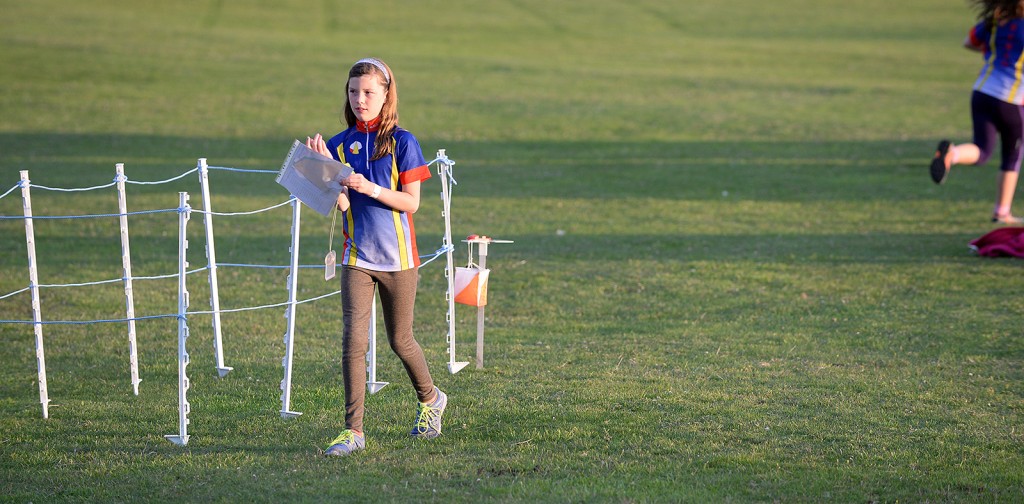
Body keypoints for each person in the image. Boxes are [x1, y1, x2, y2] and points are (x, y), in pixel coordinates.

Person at [306, 57, 447, 456]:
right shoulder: (339, 143)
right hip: (357, 257)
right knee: (353, 341)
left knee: (400, 340)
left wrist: (369, 187)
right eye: (354, 92)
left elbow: (412, 203)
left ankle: (431, 399)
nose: (360, 100)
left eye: (369, 92)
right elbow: (342, 206)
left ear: (386, 94)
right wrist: (323, 173)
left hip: (399, 260)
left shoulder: (404, 142)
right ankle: (353, 431)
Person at [931, 0, 1024, 224]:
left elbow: (969, 42)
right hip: (1011, 101)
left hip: (981, 93)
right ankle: (1002, 212)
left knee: (982, 150)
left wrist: (994, 52)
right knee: (1012, 157)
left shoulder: (996, 19)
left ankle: (952, 154)